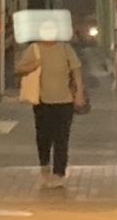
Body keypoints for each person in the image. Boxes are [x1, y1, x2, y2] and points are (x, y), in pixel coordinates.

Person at [15, 28, 85, 188]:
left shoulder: (65, 49)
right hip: (42, 102)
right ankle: (45, 164)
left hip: (64, 101)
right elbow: (19, 68)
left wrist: (79, 91)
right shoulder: (34, 49)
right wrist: (33, 65)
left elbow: (76, 69)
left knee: (61, 138)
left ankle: (59, 173)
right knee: (43, 136)